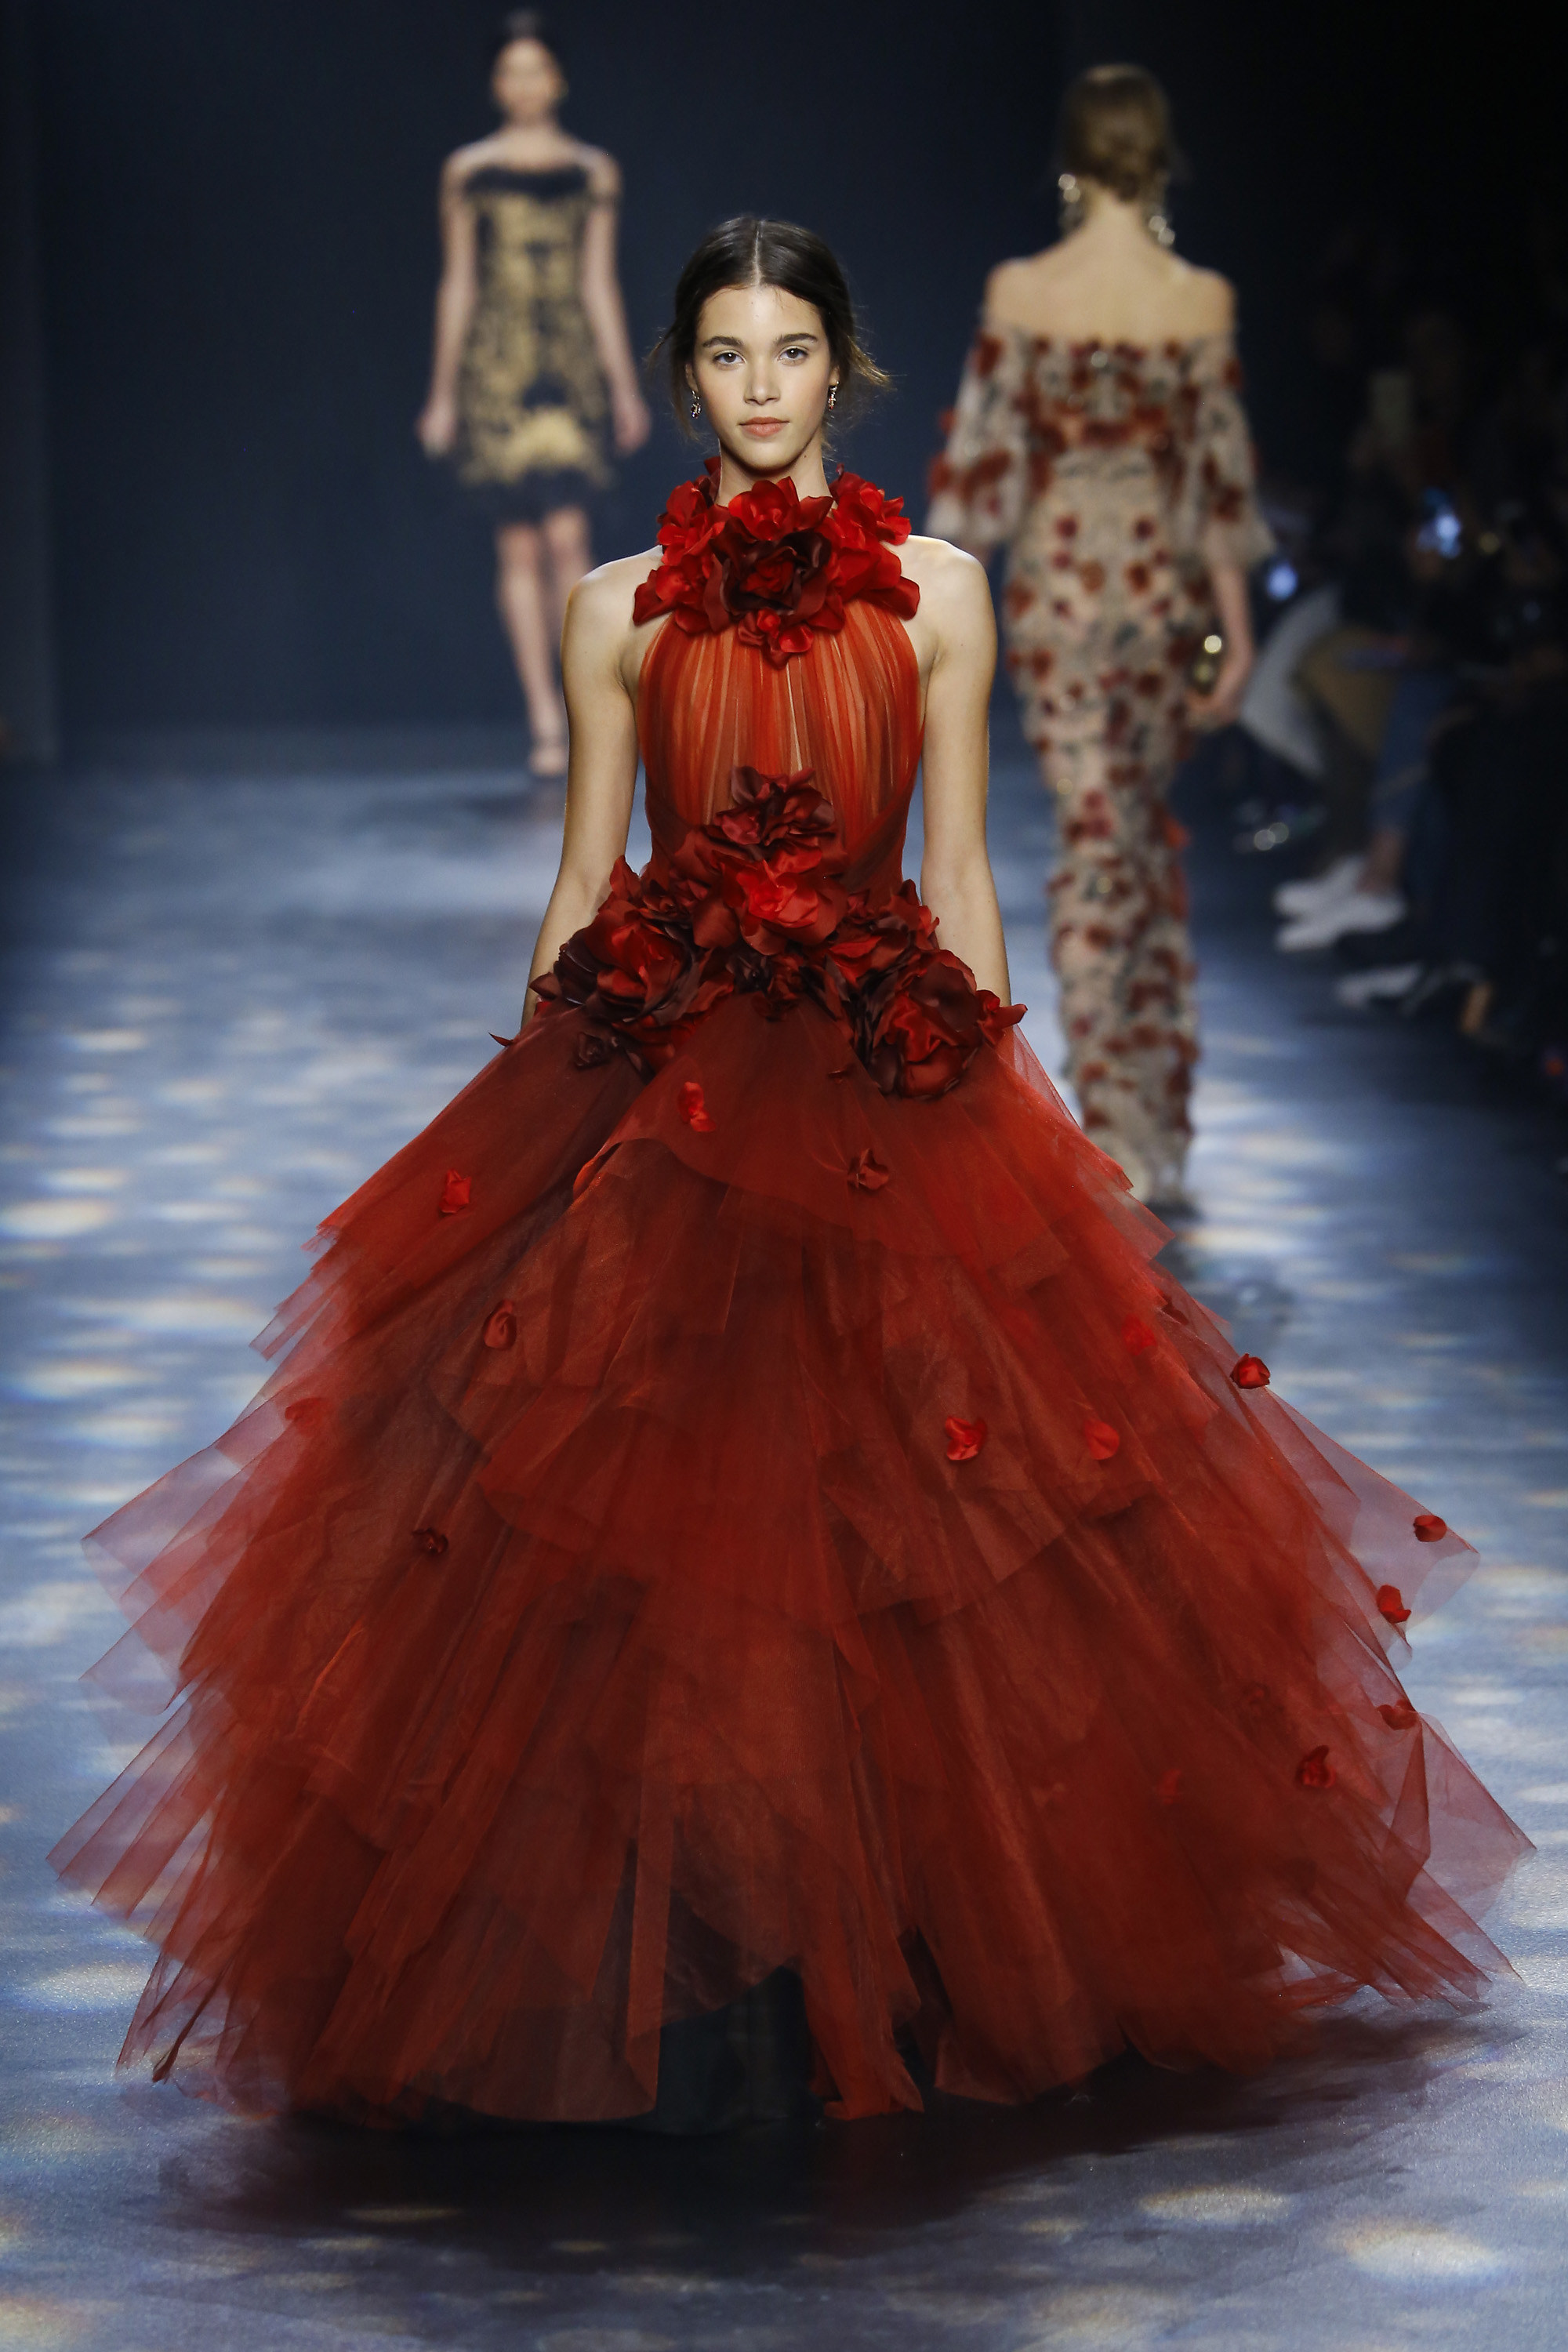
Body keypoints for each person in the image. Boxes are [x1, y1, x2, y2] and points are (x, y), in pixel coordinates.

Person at [54, 219, 1524, 2134]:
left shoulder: (941, 592)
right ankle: (694, 1951)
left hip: (880, 1059)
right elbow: (586, 876)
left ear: (845, 367)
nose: (761, 387)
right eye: (728, 355)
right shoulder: (615, 607)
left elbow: (963, 869)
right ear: (687, 378)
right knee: (657, 1513)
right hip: (664, 1071)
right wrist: (536, 1107)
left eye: (792, 350)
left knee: (909, 1503)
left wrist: (1013, 1116)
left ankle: (900, 1941)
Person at [928, 64, 1274, 1207]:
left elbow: (982, 473)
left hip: (1064, 605)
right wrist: (1238, 635)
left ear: (1070, 162)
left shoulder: (1025, 291)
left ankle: (1119, 1125)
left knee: (1100, 842)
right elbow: (1216, 486)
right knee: (1133, 842)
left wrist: (928, 605)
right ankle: (1141, 1114)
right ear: (1160, 157)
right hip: (1161, 606)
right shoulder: (1200, 300)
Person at [416, 10, 651, 780]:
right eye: (509, 72)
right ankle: (544, 718)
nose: (523, 84)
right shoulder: (468, 171)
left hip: (568, 366)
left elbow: (599, 283)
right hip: (498, 368)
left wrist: (623, 387)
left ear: (558, 78)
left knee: (569, 541)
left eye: (536, 70)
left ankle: (583, 705)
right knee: (518, 545)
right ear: (495, 83)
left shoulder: (593, 172)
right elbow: (457, 283)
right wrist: (443, 394)